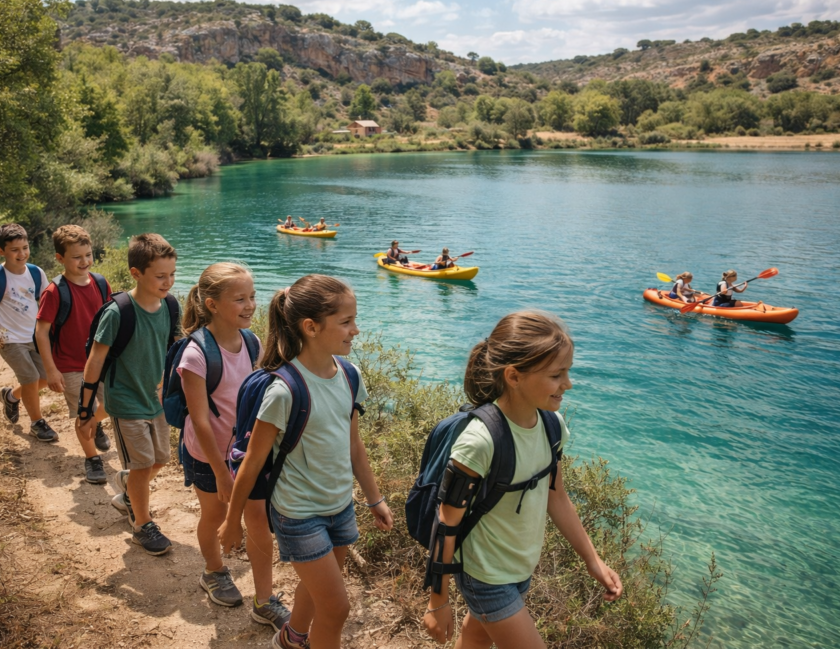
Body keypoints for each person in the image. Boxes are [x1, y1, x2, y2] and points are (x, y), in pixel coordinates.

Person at [422, 311, 622, 649]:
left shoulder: (551, 426)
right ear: (513, 376)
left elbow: (556, 496)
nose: (568, 384)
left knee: (474, 637)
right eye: (557, 375)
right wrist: (437, 600)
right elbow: (446, 523)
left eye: (567, 372)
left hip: (518, 569)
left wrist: (593, 560)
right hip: (486, 576)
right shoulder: (480, 441)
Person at [219, 275, 394, 649]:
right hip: (297, 514)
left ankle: (292, 637)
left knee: (318, 594)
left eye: (354, 320)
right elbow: (252, 462)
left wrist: (374, 499)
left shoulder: (349, 375)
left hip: (340, 505)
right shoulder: (284, 390)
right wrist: (233, 521)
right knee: (337, 608)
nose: (355, 330)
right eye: (346, 322)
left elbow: (354, 446)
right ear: (311, 327)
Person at [176, 263, 290, 629]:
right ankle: (213, 571)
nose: (250, 305)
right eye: (239, 299)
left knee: (257, 521)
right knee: (216, 517)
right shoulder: (196, 355)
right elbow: (200, 420)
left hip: (245, 456)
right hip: (206, 456)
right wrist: (221, 473)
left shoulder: (252, 342)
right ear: (211, 304)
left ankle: (264, 599)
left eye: (253, 297)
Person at [80, 233, 179, 556]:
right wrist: (86, 409)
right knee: (142, 464)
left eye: (172, 274)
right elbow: (95, 359)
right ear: (136, 273)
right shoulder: (118, 312)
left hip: (155, 401)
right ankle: (142, 525)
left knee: (161, 459)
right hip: (124, 401)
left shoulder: (170, 306)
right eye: (160, 276)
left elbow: (168, 351)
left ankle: (127, 492)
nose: (168, 282)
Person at [36, 225, 113, 484]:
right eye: (76, 257)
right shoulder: (55, 291)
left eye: (88, 254)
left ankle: (97, 423)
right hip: (70, 365)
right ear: (60, 258)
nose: (85, 261)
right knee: (83, 412)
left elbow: (112, 320)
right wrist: (50, 370)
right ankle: (92, 459)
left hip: (102, 362)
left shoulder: (101, 283)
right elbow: (41, 332)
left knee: (112, 403)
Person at [0, 224, 55, 442]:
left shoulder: (36, 273)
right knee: (30, 378)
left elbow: (46, 301)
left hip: (35, 336)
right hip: (7, 338)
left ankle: (10, 396)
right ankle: (37, 423)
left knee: (45, 378)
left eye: (25, 248)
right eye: (15, 250)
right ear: (1, 251)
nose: (22, 254)